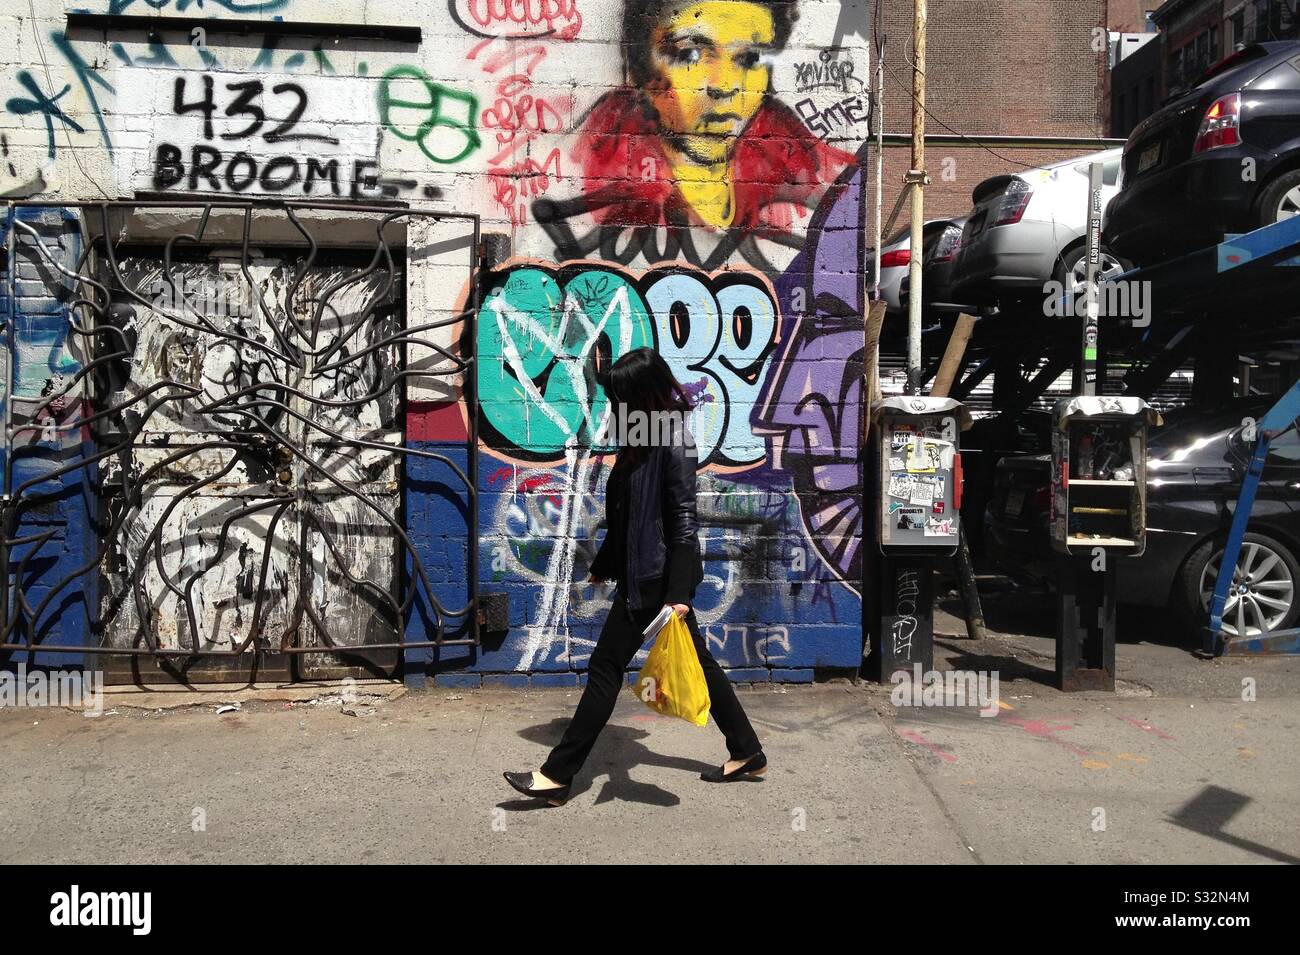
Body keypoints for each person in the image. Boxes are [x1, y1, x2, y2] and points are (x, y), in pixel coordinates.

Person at [504, 348, 765, 806]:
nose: (614, 406)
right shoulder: (643, 436)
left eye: (621, 396)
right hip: (641, 574)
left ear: (641, 395)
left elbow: (683, 520)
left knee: (605, 669)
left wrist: (679, 592)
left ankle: (557, 775)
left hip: (657, 582)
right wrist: (605, 567)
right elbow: (628, 515)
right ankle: (747, 751)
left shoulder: (674, 440)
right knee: (700, 664)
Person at [570, 0, 852, 233]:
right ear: (637, 65)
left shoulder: (814, 175)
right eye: (691, 54)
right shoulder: (584, 170)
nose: (725, 85)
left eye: (750, 59)